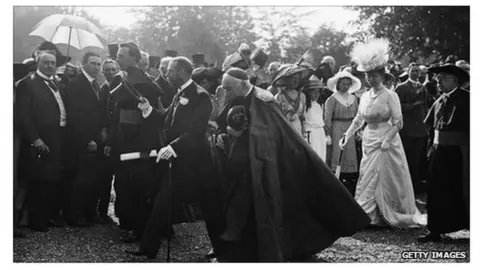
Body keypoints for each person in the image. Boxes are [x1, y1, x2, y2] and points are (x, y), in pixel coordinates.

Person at [212, 68, 369, 262]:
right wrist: (222, 132)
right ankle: (243, 247)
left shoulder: (264, 99)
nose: (226, 90)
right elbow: (221, 120)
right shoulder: (233, 95)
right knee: (241, 205)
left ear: (243, 84)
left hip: (264, 163)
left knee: (265, 205)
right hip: (239, 163)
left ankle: (270, 249)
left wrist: (240, 135)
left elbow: (272, 134)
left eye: (229, 87)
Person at [125, 57, 224, 259]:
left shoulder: (200, 96)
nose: (166, 74)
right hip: (178, 162)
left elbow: (196, 132)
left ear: (181, 72)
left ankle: (223, 250)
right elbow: (166, 119)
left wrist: (173, 146)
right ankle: (148, 247)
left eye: (169, 71)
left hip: (198, 164)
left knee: (210, 208)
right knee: (162, 203)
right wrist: (150, 110)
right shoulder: (180, 93)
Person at [341, 38, 424, 228]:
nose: (371, 79)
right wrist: (348, 134)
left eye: (375, 76)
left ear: (382, 76)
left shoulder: (390, 95)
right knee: (367, 175)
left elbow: (398, 122)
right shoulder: (364, 97)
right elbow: (358, 119)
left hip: (387, 140)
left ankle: (386, 212)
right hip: (369, 139)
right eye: (368, 76)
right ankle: (368, 214)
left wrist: (387, 139)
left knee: (385, 177)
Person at [107, 42, 164, 242]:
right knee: (131, 184)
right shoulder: (142, 79)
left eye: (122, 56)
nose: (118, 58)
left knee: (129, 185)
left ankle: (133, 226)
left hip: (132, 140)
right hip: (134, 139)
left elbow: (116, 112)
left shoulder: (137, 81)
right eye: (118, 55)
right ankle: (134, 224)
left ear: (135, 58)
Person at [15, 51, 69, 232]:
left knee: (51, 180)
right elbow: (23, 116)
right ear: (38, 63)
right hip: (39, 139)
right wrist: (36, 139)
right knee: (38, 181)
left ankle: (47, 217)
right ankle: (36, 221)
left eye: (53, 63)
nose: (50, 66)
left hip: (59, 137)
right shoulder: (27, 85)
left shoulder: (58, 84)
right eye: (46, 62)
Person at [418, 64, 469, 242]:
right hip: (438, 152)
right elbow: (431, 130)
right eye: (437, 79)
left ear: (456, 80)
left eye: (443, 78)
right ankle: (435, 229)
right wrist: (430, 151)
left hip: (460, 154)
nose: (438, 82)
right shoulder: (438, 101)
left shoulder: (468, 99)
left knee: (462, 190)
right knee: (435, 190)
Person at [64, 52, 109, 226]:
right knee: (79, 180)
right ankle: (75, 215)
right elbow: (76, 116)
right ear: (83, 64)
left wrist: (102, 131)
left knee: (93, 179)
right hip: (81, 140)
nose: (96, 67)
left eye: (99, 64)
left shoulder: (96, 85)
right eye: (93, 64)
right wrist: (87, 139)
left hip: (97, 139)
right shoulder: (76, 85)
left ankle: (90, 213)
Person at [324, 71, 361, 195]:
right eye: (343, 84)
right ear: (338, 84)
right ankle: (336, 173)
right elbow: (327, 117)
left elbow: (357, 115)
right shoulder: (332, 98)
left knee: (350, 151)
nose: (345, 86)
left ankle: (349, 176)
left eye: (347, 84)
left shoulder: (354, 98)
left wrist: (357, 130)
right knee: (337, 150)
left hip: (350, 125)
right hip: (337, 126)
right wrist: (328, 132)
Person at [395, 63, 429, 194]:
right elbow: (396, 107)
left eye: (417, 71)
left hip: (420, 129)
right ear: (408, 71)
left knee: (418, 159)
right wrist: (411, 105)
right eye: (413, 71)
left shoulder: (422, 87)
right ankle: (405, 187)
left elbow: (425, 107)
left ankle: (415, 185)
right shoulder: (401, 87)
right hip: (407, 129)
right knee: (406, 158)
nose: (415, 73)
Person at [273, 65, 307, 136]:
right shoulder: (279, 97)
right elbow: (276, 118)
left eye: (298, 78)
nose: (296, 81)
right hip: (285, 132)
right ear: (285, 79)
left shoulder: (302, 96)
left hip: (299, 130)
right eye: (293, 78)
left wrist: (304, 131)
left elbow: (303, 117)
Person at [302, 78, 327, 161]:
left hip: (320, 133)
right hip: (310, 132)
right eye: (314, 91)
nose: (316, 94)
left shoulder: (319, 105)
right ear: (308, 92)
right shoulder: (305, 105)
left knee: (321, 155)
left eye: (318, 92)